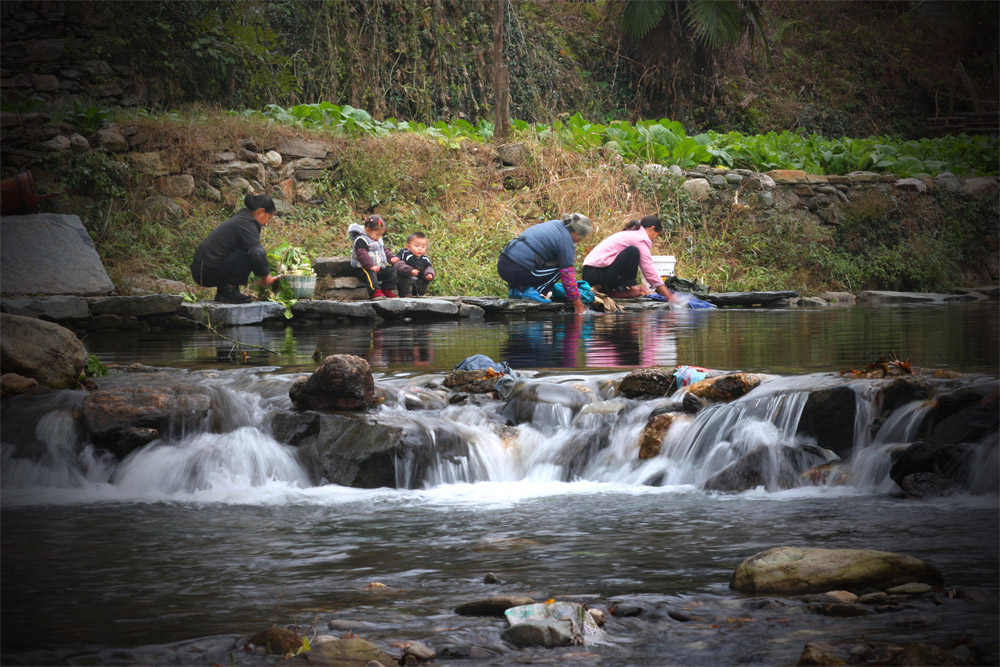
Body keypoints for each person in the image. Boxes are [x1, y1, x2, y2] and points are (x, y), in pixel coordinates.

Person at [190, 193, 282, 303]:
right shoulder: (247, 222)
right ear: (261, 211)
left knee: (246, 249)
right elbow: (256, 252)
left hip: (202, 269)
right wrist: (266, 275)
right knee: (249, 252)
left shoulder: (243, 217)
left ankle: (223, 292)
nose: (267, 223)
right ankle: (229, 291)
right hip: (205, 272)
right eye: (269, 218)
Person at [497, 213, 593, 315]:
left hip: (503, 265)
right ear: (576, 234)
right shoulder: (566, 240)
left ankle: (515, 290)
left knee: (533, 261)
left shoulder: (555, 225)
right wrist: (578, 306)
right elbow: (567, 276)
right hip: (520, 268)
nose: (581, 240)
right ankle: (533, 291)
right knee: (561, 269)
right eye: (583, 237)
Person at [581, 215, 674, 301]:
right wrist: (669, 296)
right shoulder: (640, 238)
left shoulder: (632, 234)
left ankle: (616, 289)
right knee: (633, 251)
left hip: (591, 273)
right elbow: (648, 268)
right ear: (652, 229)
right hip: (596, 274)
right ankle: (625, 289)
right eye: (656, 236)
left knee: (632, 253)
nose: (653, 240)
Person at [349, 214, 401, 299]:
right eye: (377, 234)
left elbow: (384, 250)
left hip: (377, 267)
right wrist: (370, 265)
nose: (379, 237)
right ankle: (375, 291)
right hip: (363, 268)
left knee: (392, 270)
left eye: (381, 234)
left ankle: (386, 289)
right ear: (367, 230)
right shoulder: (361, 240)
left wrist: (391, 258)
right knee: (370, 272)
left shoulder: (378, 239)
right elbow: (362, 254)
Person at [395, 231, 435, 296]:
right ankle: (406, 294)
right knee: (405, 279)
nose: (420, 249)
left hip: (417, 280)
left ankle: (419, 293)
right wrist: (409, 271)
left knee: (423, 281)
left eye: (423, 247)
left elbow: (428, 268)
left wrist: (429, 274)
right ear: (408, 246)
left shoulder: (425, 258)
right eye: (416, 246)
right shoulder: (404, 253)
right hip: (405, 279)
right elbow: (398, 264)